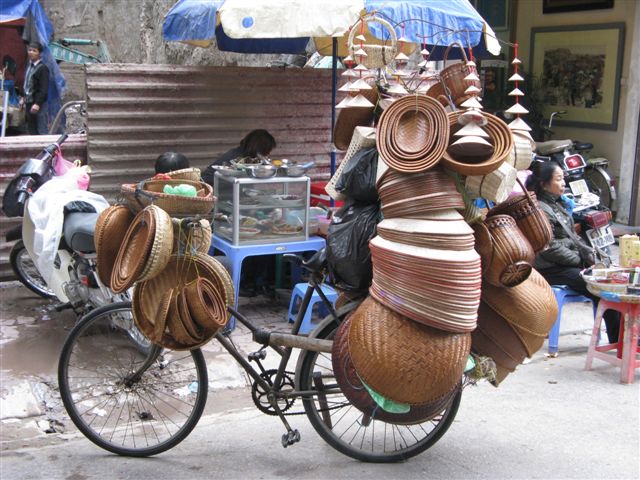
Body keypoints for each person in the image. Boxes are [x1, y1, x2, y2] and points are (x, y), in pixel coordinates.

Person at [526, 161, 619, 343]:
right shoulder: (540, 210)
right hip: (551, 269)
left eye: (563, 179)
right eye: (559, 179)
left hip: (564, 264)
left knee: (609, 282)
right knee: (601, 287)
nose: (563, 183)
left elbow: (568, 239)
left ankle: (621, 337)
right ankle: (618, 339)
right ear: (544, 184)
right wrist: (578, 260)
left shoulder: (556, 204)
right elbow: (549, 247)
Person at [201, 129, 276, 185]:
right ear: (260, 148)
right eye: (268, 151)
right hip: (215, 195)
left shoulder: (247, 156)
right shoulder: (238, 158)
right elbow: (207, 179)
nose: (268, 154)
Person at [20, 42, 49, 135]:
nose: (31, 52)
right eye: (29, 50)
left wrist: (37, 103)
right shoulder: (29, 66)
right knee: (31, 128)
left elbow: (43, 89)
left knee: (41, 128)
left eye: (34, 51)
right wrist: (23, 97)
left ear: (39, 53)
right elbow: (27, 84)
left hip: (38, 104)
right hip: (29, 102)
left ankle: (44, 148)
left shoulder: (42, 68)